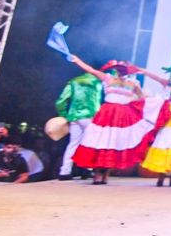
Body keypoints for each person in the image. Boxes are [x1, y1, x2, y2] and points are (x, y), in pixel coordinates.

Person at [66, 56, 157, 185]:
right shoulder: (108, 78)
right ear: (116, 70)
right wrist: (78, 61)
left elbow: (142, 99)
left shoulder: (133, 84)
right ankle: (97, 174)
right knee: (100, 141)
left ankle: (106, 175)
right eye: (120, 69)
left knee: (114, 143)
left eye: (125, 70)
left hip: (121, 118)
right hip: (106, 115)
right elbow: (92, 70)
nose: (122, 72)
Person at [55, 71, 103, 179]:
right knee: (91, 143)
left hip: (74, 117)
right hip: (91, 116)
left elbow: (60, 101)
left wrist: (64, 115)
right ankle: (86, 169)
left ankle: (64, 172)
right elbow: (97, 101)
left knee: (73, 144)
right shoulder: (97, 82)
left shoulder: (73, 82)